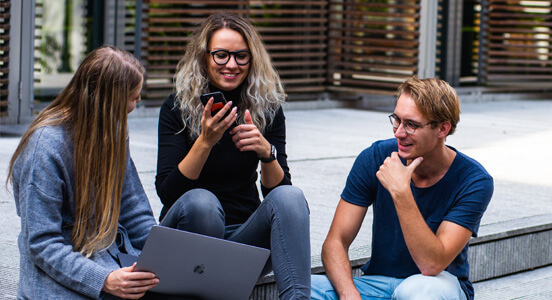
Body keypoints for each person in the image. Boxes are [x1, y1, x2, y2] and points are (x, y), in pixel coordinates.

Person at [155, 12, 310, 299]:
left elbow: (279, 195)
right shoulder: (176, 107)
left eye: (241, 56)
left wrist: (267, 153)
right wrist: (205, 141)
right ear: (204, 57)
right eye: (221, 55)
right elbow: (167, 193)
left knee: (292, 197)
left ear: (252, 60)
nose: (232, 65)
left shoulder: (266, 107)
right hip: (187, 238)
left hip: (242, 241)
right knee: (203, 202)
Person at [311, 77, 494, 300]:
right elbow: (335, 242)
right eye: (396, 120)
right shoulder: (376, 156)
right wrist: (350, 296)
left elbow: (432, 264)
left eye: (411, 124)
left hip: (436, 285)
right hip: (378, 284)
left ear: (442, 129)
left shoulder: (474, 181)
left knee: (418, 292)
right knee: (307, 287)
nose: (398, 132)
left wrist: (401, 192)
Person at [8, 46, 158, 299]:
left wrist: (159, 258)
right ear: (109, 101)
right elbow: (42, 243)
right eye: (134, 96)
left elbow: (134, 209)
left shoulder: (114, 131)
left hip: (109, 253)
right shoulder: (44, 147)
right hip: (62, 269)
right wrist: (105, 280)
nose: (138, 102)